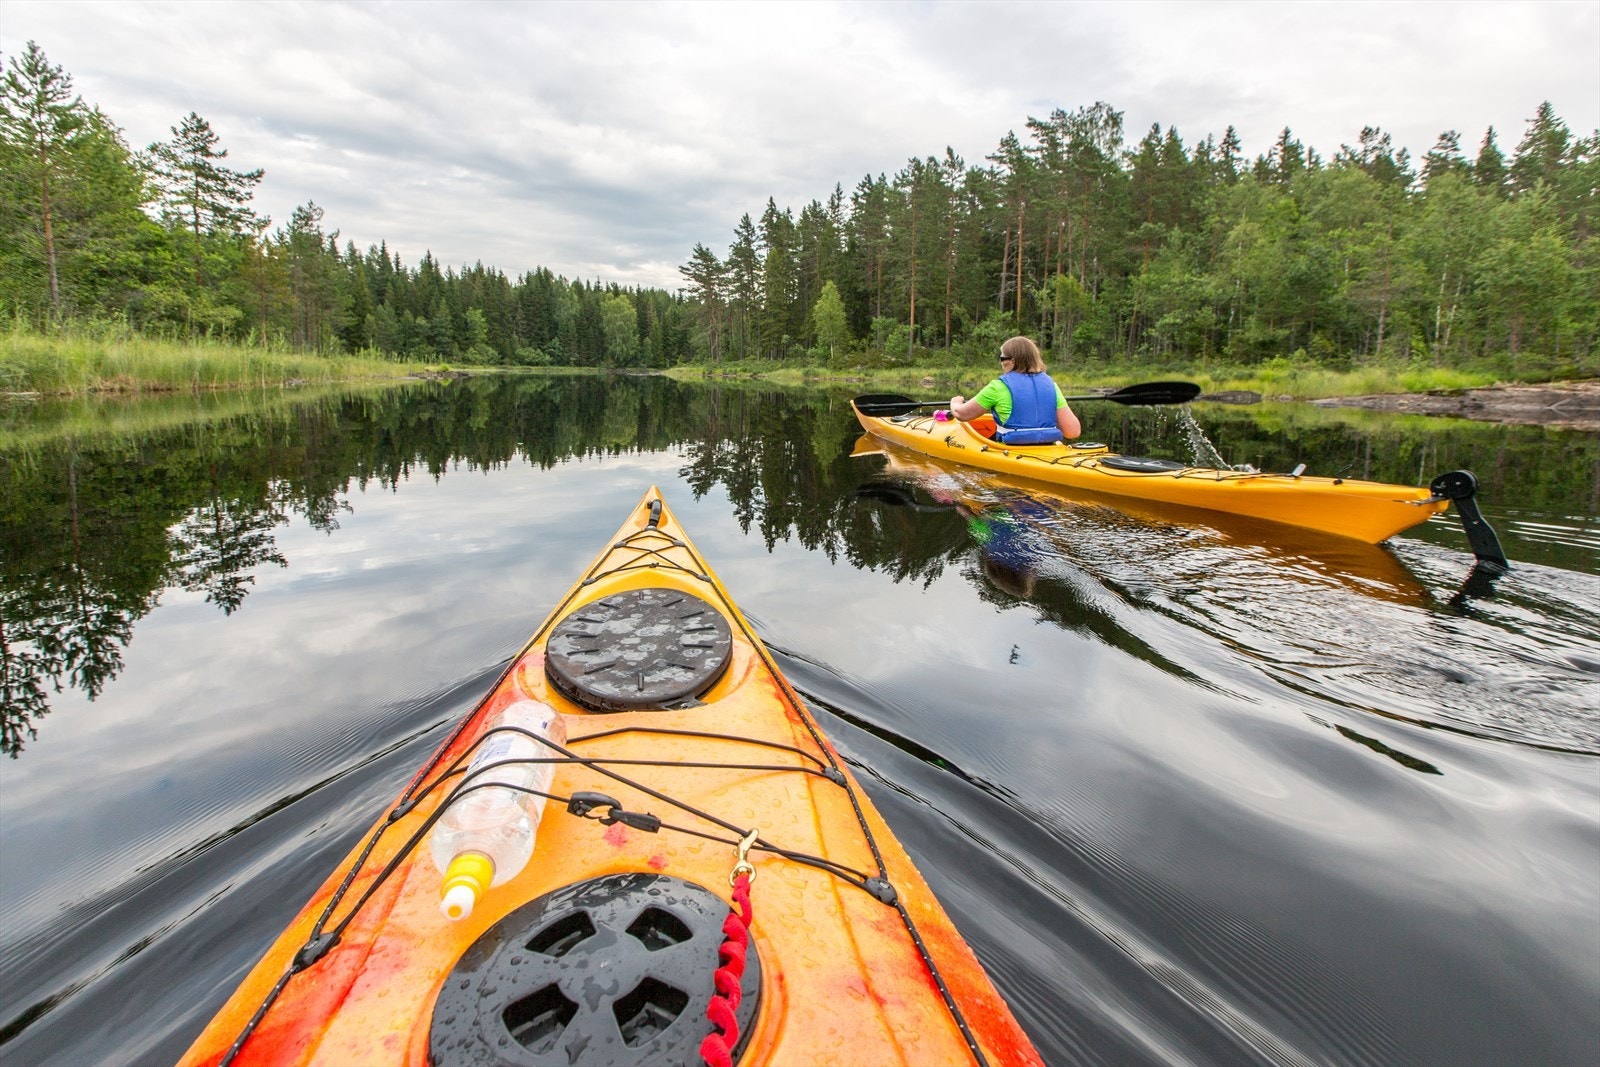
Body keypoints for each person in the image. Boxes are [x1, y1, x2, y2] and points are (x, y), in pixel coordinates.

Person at [948, 336, 1082, 444]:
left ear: (1012, 361)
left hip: (1011, 450)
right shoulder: (1051, 386)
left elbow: (962, 414)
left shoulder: (998, 387)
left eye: (1002, 358)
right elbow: (1073, 432)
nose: (1000, 363)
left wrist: (956, 402)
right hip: (1047, 449)